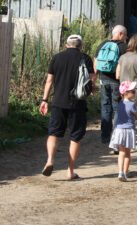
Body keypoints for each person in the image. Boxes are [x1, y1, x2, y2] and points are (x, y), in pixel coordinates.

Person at [39, 35, 95, 180]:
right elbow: (92, 80)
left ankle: (50, 160)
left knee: (54, 133)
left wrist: (45, 100)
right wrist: (92, 90)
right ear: (80, 45)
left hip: (58, 101)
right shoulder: (86, 58)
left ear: (66, 45)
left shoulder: (56, 58)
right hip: (78, 102)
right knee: (75, 137)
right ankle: (70, 171)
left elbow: (49, 80)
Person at [94, 25, 128, 147]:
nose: (126, 37)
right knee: (117, 108)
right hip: (116, 81)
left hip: (103, 80)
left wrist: (95, 79)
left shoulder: (102, 44)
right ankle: (115, 135)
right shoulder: (123, 47)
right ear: (120, 34)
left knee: (105, 107)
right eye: (125, 34)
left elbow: (96, 63)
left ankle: (105, 136)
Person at [116, 35, 137, 151]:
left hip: (123, 90)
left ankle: (120, 142)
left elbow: (117, 75)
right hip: (136, 89)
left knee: (124, 115)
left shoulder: (122, 57)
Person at [109, 81, 137, 182]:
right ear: (126, 93)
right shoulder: (132, 105)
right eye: (132, 91)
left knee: (121, 152)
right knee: (128, 154)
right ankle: (125, 173)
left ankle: (120, 172)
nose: (135, 92)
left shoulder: (119, 104)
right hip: (129, 130)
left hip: (119, 130)